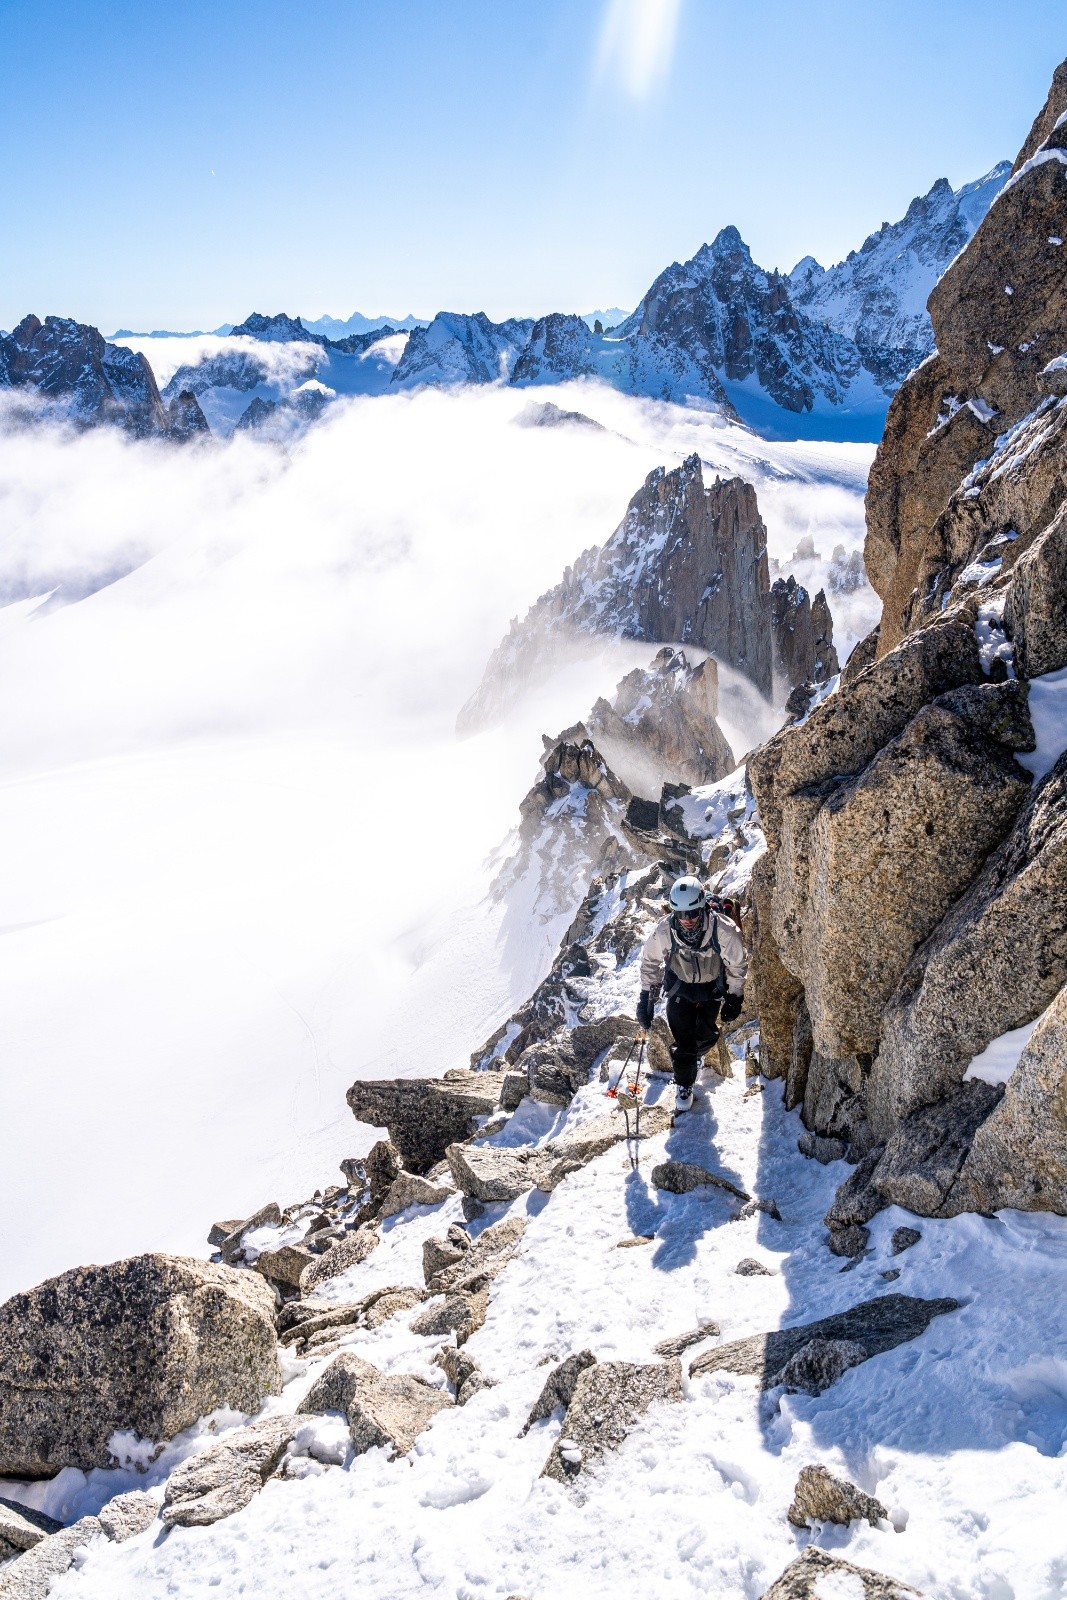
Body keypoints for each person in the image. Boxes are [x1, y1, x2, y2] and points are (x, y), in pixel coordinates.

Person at [635, 875, 747, 1116]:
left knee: (707, 1036)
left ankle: (695, 1057)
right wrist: (645, 998)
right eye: (681, 914)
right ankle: (684, 1084)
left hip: (711, 989)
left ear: (703, 907)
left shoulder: (724, 931)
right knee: (683, 1042)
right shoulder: (665, 929)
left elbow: (737, 966)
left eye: (693, 913)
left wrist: (735, 996)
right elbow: (650, 962)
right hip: (679, 988)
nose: (686, 920)